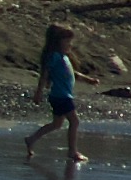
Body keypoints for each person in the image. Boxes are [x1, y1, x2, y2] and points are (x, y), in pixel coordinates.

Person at [26, 23, 98, 162]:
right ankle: (72, 151)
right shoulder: (54, 57)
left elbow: (72, 73)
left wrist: (88, 80)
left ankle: (31, 139)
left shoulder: (63, 57)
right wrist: (39, 92)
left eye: (70, 41)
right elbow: (45, 74)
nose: (70, 45)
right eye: (67, 41)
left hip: (61, 95)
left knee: (57, 124)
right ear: (57, 42)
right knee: (75, 122)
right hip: (61, 96)